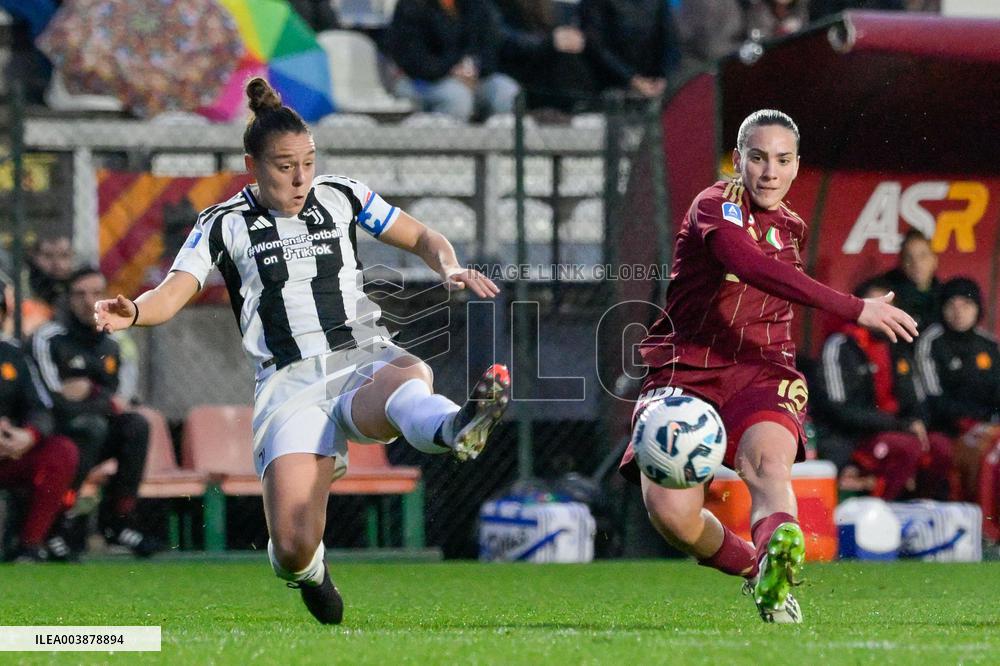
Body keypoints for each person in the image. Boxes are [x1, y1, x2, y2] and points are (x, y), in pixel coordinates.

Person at [93, 78, 511, 625]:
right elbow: (172, 294)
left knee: (407, 379)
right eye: (284, 165)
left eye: (308, 163)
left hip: (360, 357)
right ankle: (310, 571)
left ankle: (459, 426)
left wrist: (450, 265)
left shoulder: (343, 196)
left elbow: (422, 236)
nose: (300, 178)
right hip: (289, 383)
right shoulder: (222, 224)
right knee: (291, 547)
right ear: (252, 164)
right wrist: (135, 311)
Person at [619, 109, 918, 624]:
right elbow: (748, 264)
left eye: (782, 160)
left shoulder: (792, 228)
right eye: (757, 158)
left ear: (796, 167)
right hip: (684, 370)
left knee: (766, 466)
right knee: (672, 516)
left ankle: (781, 544)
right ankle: (761, 571)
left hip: (762, 369)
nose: (769, 172)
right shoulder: (714, 205)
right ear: (738, 160)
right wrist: (856, 307)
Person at [32, 267, 158, 560]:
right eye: (80, 294)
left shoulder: (115, 343)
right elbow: (49, 400)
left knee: (136, 425)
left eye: (97, 294)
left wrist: (89, 391)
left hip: (96, 430)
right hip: (57, 433)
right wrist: (97, 401)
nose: (89, 302)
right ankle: (56, 526)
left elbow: (120, 403)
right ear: (67, 299)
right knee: (90, 427)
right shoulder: (48, 338)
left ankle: (118, 522)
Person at [813, 278, 953, 501]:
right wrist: (902, 426)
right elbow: (840, 411)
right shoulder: (840, 346)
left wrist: (916, 423)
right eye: (876, 305)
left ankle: (922, 511)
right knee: (906, 446)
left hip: (896, 431)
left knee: (940, 446)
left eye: (888, 306)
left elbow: (918, 401)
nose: (882, 312)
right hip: (852, 439)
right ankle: (879, 511)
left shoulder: (900, 346)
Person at [0, 274, 79, 562]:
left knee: (62, 451)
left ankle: (29, 545)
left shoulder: (13, 355)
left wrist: (27, 435)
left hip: (9, 451)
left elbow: (41, 408)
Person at [915, 277, 1000, 502]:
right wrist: (973, 419)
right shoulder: (931, 342)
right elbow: (933, 399)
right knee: (951, 452)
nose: (958, 312)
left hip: (985, 426)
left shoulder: (989, 345)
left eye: (966, 305)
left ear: (977, 309)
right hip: (945, 428)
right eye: (952, 305)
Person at [387, 0, 520, 121]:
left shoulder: (477, 5)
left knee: (506, 90)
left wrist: (474, 69)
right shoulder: (410, 6)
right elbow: (414, 61)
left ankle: (501, 144)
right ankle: (449, 146)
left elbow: (489, 47)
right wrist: (452, 70)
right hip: (422, 81)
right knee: (457, 98)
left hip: (471, 77)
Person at [493, 0, 600, 113]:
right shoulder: (499, 6)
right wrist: (549, 42)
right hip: (516, 70)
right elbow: (504, 39)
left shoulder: (558, 9)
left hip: (551, 70)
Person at [579, 0, 681, 99]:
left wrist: (663, 76)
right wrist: (633, 79)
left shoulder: (659, 2)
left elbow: (670, 39)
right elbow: (596, 46)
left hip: (653, 83)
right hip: (608, 85)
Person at [879, 229, 943, 333]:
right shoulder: (889, 296)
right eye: (909, 257)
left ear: (934, 260)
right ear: (901, 262)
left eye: (923, 256)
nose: (916, 263)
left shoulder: (945, 296)